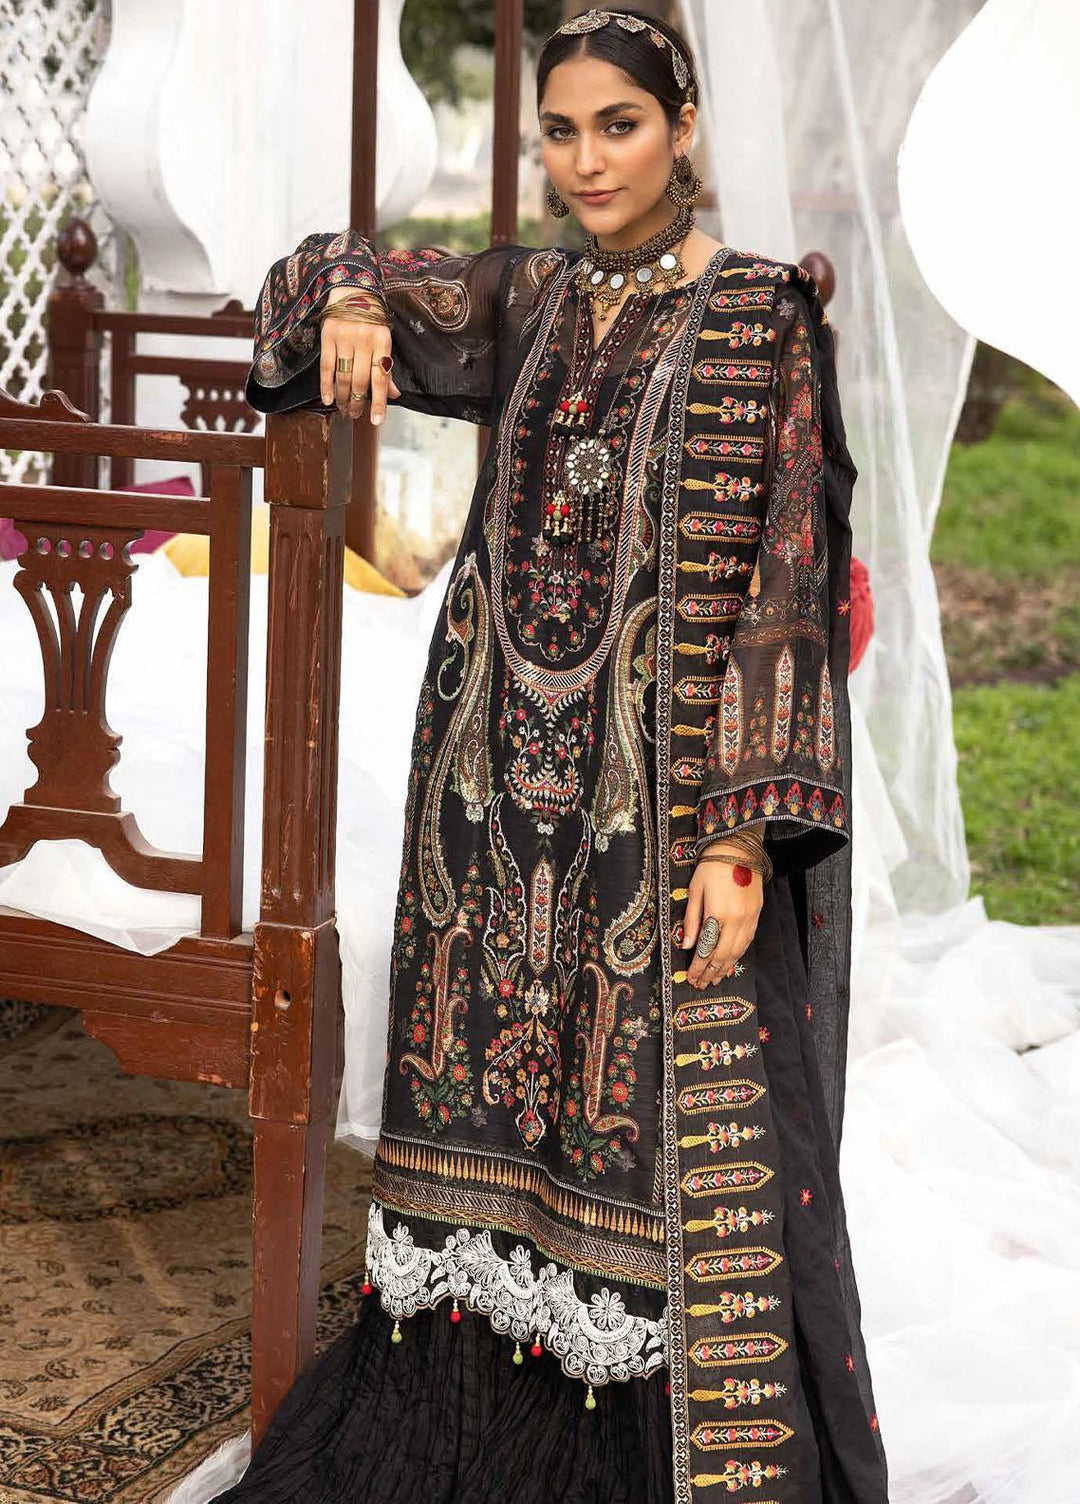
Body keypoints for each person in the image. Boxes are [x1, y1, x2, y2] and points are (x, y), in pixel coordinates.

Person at [213, 8, 889, 1502]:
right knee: (487, 1083)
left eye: (619, 126)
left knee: (659, 1107)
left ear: (684, 127)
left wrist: (739, 837)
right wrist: (352, 299)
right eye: (563, 133)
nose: (589, 161)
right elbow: (306, 273)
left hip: (663, 800)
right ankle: (468, 1412)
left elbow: (787, 576)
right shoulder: (522, 297)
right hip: (491, 782)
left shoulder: (763, 314)